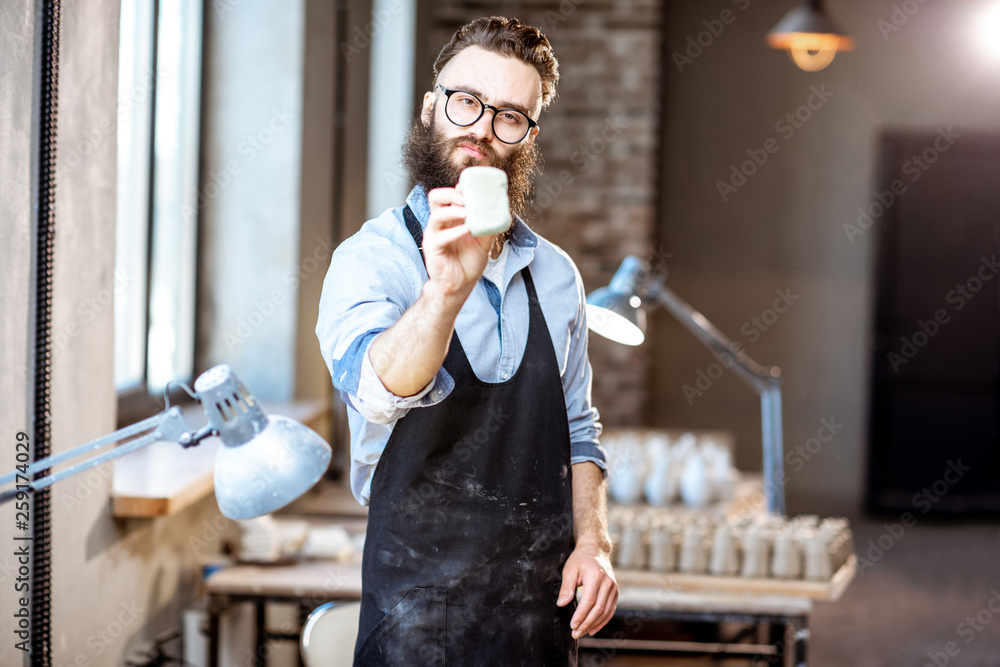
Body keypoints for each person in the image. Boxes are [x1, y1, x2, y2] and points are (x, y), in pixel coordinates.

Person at [316, 15, 617, 666]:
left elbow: (579, 429)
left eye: (509, 115)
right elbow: (373, 391)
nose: (482, 126)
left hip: (536, 623)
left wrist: (594, 542)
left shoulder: (557, 275)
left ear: (528, 137)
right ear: (431, 108)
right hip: (414, 624)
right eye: (466, 102)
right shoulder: (375, 260)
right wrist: (444, 293)